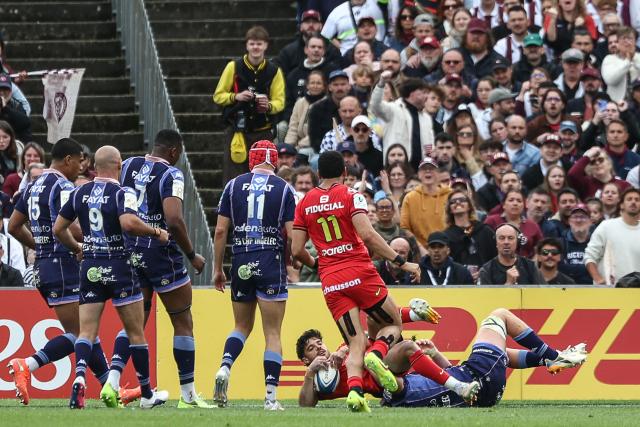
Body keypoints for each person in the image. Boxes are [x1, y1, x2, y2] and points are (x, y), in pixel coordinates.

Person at [291, 150, 421, 412]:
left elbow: (296, 251)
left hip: (331, 280)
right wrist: (401, 261)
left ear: (318, 174)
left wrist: (318, 263)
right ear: (345, 173)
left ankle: (354, 392)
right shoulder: (351, 195)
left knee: (354, 343)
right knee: (392, 321)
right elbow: (368, 235)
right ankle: (377, 356)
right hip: (360, 273)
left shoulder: (304, 203)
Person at [52, 146, 170, 409]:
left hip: (91, 267)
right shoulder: (123, 192)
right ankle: (148, 395)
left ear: (94, 166)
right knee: (136, 332)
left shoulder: (79, 192)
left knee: (86, 332)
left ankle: (80, 378)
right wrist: (155, 232)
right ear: (119, 165)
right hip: (119, 265)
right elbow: (129, 223)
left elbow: (58, 228)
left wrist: (77, 247)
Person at [298, 309, 586, 408]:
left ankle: (549, 360)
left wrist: (436, 355)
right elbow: (306, 404)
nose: (319, 348)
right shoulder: (321, 378)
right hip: (467, 383)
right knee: (499, 315)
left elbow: (375, 329)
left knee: (407, 356)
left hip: (461, 385)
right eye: (312, 348)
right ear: (304, 360)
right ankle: (554, 356)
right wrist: (311, 373)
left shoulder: (347, 346)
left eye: (319, 343)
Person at [7, 138, 111, 405]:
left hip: (44, 266)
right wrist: (79, 245)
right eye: (79, 161)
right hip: (62, 266)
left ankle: (111, 387)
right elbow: (71, 227)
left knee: (85, 331)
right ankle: (27, 365)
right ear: (68, 160)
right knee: (81, 333)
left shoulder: (33, 184)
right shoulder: (63, 186)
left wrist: (42, 248)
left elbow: (14, 227)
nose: (81, 167)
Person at [116, 129, 208, 407]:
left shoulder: (129, 165)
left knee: (135, 323)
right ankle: (188, 395)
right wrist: (192, 255)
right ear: (173, 151)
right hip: (160, 253)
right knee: (182, 321)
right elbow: (174, 219)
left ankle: (111, 383)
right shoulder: (172, 175)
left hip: (131, 250)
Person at [213, 141, 296, 411]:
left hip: (241, 258)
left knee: (241, 326)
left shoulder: (233, 185)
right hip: (270, 258)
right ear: (274, 161)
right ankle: (271, 398)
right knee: (272, 332)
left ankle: (225, 367)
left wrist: (217, 268)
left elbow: (221, 232)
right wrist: (294, 257)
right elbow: (292, 233)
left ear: (251, 160)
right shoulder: (284, 188)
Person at [213, 26, 285, 183]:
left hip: (263, 132)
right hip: (237, 131)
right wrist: (236, 96)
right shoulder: (233, 67)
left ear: (266, 45)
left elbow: (280, 101)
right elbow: (218, 96)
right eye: (252, 44)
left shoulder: (274, 70)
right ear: (247, 45)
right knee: (233, 177)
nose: (256, 47)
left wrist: (269, 105)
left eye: (259, 44)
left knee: (263, 176)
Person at [371, 71, 434, 172]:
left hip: (419, 172)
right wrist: (381, 83)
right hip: (396, 170)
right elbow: (375, 106)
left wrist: (430, 159)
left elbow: (429, 145)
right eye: (423, 92)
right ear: (412, 93)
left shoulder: (426, 118)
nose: (427, 96)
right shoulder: (394, 109)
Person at [585, 188, 640, 285]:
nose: (633, 202)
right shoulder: (606, 226)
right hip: (609, 293)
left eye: (637, 200)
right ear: (621, 205)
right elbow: (589, 257)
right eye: (629, 199)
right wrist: (598, 279)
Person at [443, 190, 497, 281]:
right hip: (458, 283)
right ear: (449, 209)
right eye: (453, 201)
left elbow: (495, 257)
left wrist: (483, 273)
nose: (458, 202)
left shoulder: (485, 230)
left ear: (469, 206)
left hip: (486, 281)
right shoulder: (446, 236)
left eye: (462, 199)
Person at [400, 157, 451, 247]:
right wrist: (420, 248)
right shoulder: (410, 198)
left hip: (448, 247)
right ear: (419, 174)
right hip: (421, 251)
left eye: (431, 169)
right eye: (424, 169)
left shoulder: (450, 195)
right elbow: (405, 228)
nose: (427, 171)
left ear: (438, 173)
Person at [275, 9, 341, 76]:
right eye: (307, 22)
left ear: (321, 26)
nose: (311, 25)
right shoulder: (288, 52)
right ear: (301, 27)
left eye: (315, 22)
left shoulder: (332, 51)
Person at [479, 223, 546, 285]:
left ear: (517, 242)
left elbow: (543, 294)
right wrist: (508, 284)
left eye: (510, 238)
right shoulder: (486, 271)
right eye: (502, 238)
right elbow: (487, 298)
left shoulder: (530, 267)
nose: (506, 242)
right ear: (496, 242)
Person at [485, 189, 543, 258]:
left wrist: (532, 264)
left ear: (523, 205)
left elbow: (541, 248)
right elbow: (484, 245)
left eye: (519, 201)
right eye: (511, 200)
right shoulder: (492, 221)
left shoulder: (532, 225)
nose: (515, 203)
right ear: (503, 205)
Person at [321, 0, 385, 55]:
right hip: (347, 55)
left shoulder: (376, 6)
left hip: (376, 52)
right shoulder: (338, 11)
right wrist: (341, 47)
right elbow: (325, 35)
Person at [601, 26, 640, 102]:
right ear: (618, 42)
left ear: (635, 41)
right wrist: (627, 61)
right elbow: (610, 80)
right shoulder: (609, 59)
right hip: (616, 105)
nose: (626, 42)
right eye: (623, 38)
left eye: (629, 38)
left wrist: (633, 57)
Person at [560, 203, 593, 284]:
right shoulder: (560, 243)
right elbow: (561, 269)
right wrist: (588, 269)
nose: (578, 220)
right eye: (575, 217)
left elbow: (599, 269)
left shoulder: (596, 243)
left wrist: (571, 269)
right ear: (569, 221)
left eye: (582, 217)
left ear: (590, 221)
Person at [0, 73, 32, 143]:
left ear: (11, 91)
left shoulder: (16, 105)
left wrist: (5, 108)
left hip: (12, 146)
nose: (2, 93)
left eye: (5, 89)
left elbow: (26, 123)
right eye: (0, 89)